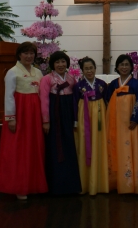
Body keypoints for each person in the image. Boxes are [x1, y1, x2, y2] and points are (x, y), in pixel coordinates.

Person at [0, 41, 47, 200]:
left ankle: (33, 184)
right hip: (20, 114)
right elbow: (9, 96)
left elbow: (42, 95)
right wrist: (11, 118)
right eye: (26, 53)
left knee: (34, 147)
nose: (29, 56)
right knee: (19, 149)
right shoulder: (12, 72)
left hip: (34, 115)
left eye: (32, 53)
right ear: (19, 55)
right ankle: (18, 186)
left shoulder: (38, 72)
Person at [39, 51, 82, 195]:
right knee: (55, 148)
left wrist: (75, 119)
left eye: (63, 61)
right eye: (57, 62)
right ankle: (55, 186)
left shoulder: (71, 79)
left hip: (68, 116)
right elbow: (44, 100)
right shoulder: (47, 79)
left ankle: (71, 185)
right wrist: (46, 121)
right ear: (52, 64)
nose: (60, 64)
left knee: (69, 146)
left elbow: (75, 101)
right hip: (54, 116)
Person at [104, 54, 138, 194]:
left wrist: (135, 119)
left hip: (130, 123)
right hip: (116, 123)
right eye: (121, 64)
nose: (124, 67)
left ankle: (131, 182)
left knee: (131, 148)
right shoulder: (113, 84)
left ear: (131, 67)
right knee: (116, 147)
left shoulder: (137, 84)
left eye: (127, 64)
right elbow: (107, 101)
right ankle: (116, 181)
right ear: (117, 67)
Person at [73, 56, 109, 195]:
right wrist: (75, 121)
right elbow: (74, 104)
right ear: (82, 70)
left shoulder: (102, 84)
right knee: (84, 145)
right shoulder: (78, 86)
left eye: (91, 68)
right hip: (84, 115)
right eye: (86, 68)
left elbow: (107, 101)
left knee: (99, 145)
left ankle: (100, 183)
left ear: (95, 68)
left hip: (99, 116)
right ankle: (86, 184)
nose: (89, 71)